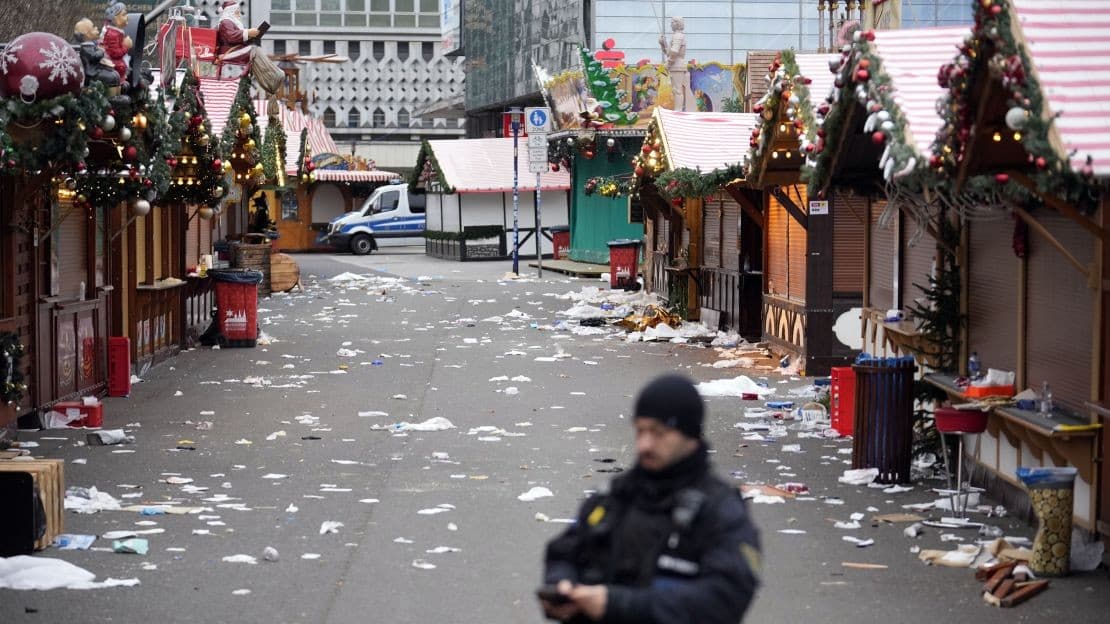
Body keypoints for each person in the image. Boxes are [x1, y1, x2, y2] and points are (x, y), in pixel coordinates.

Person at [541, 374, 761, 623]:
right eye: (640, 431)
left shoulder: (720, 510)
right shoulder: (614, 497)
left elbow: (723, 600)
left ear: (690, 436)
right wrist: (562, 587)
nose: (645, 444)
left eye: (658, 433)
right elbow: (564, 551)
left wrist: (617, 605)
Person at [216, 0, 260, 76]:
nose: (239, 14)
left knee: (255, 51)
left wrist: (251, 36)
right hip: (229, 51)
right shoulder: (226, 22)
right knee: (254, 52)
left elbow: (238, 37)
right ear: (231, 12)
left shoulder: (232, 22)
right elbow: (231, 36)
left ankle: (251, 74)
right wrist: (248, 32)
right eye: (237, 12)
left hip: (235, 49)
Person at [100, 2, 132, 85]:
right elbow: (115, 54)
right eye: (124, 15)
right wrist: (126, 46)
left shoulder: (117, 32)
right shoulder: (112, 34)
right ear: (115, 18)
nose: (127, 17)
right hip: (114, 68)